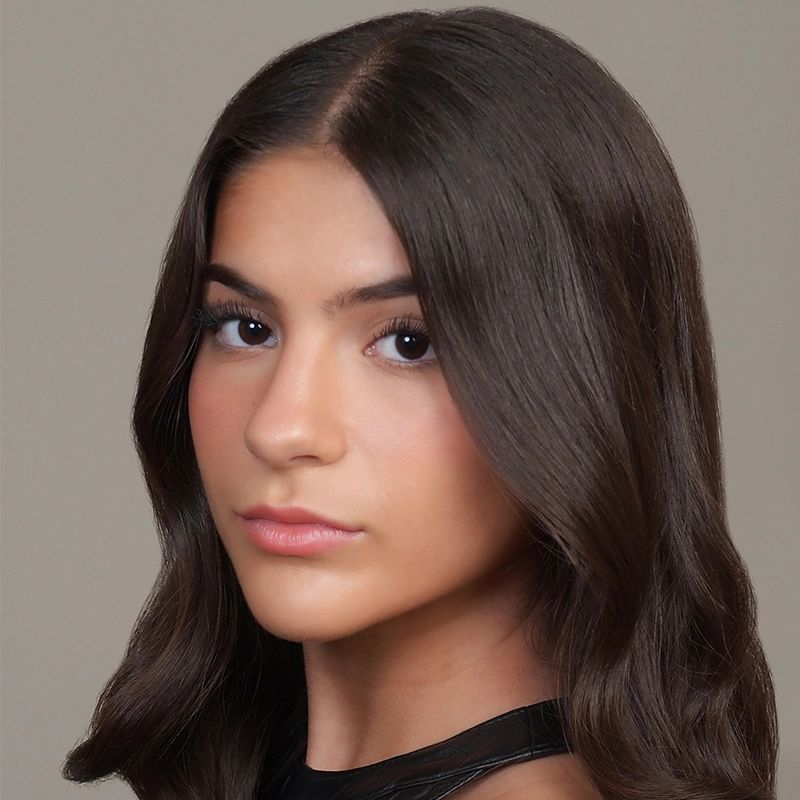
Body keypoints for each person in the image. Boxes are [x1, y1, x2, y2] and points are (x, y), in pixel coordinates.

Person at [63, 8, 778, 800]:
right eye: (246, 326)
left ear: (580, 387)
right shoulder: (246, 756)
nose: (280, 427)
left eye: (408, 342)